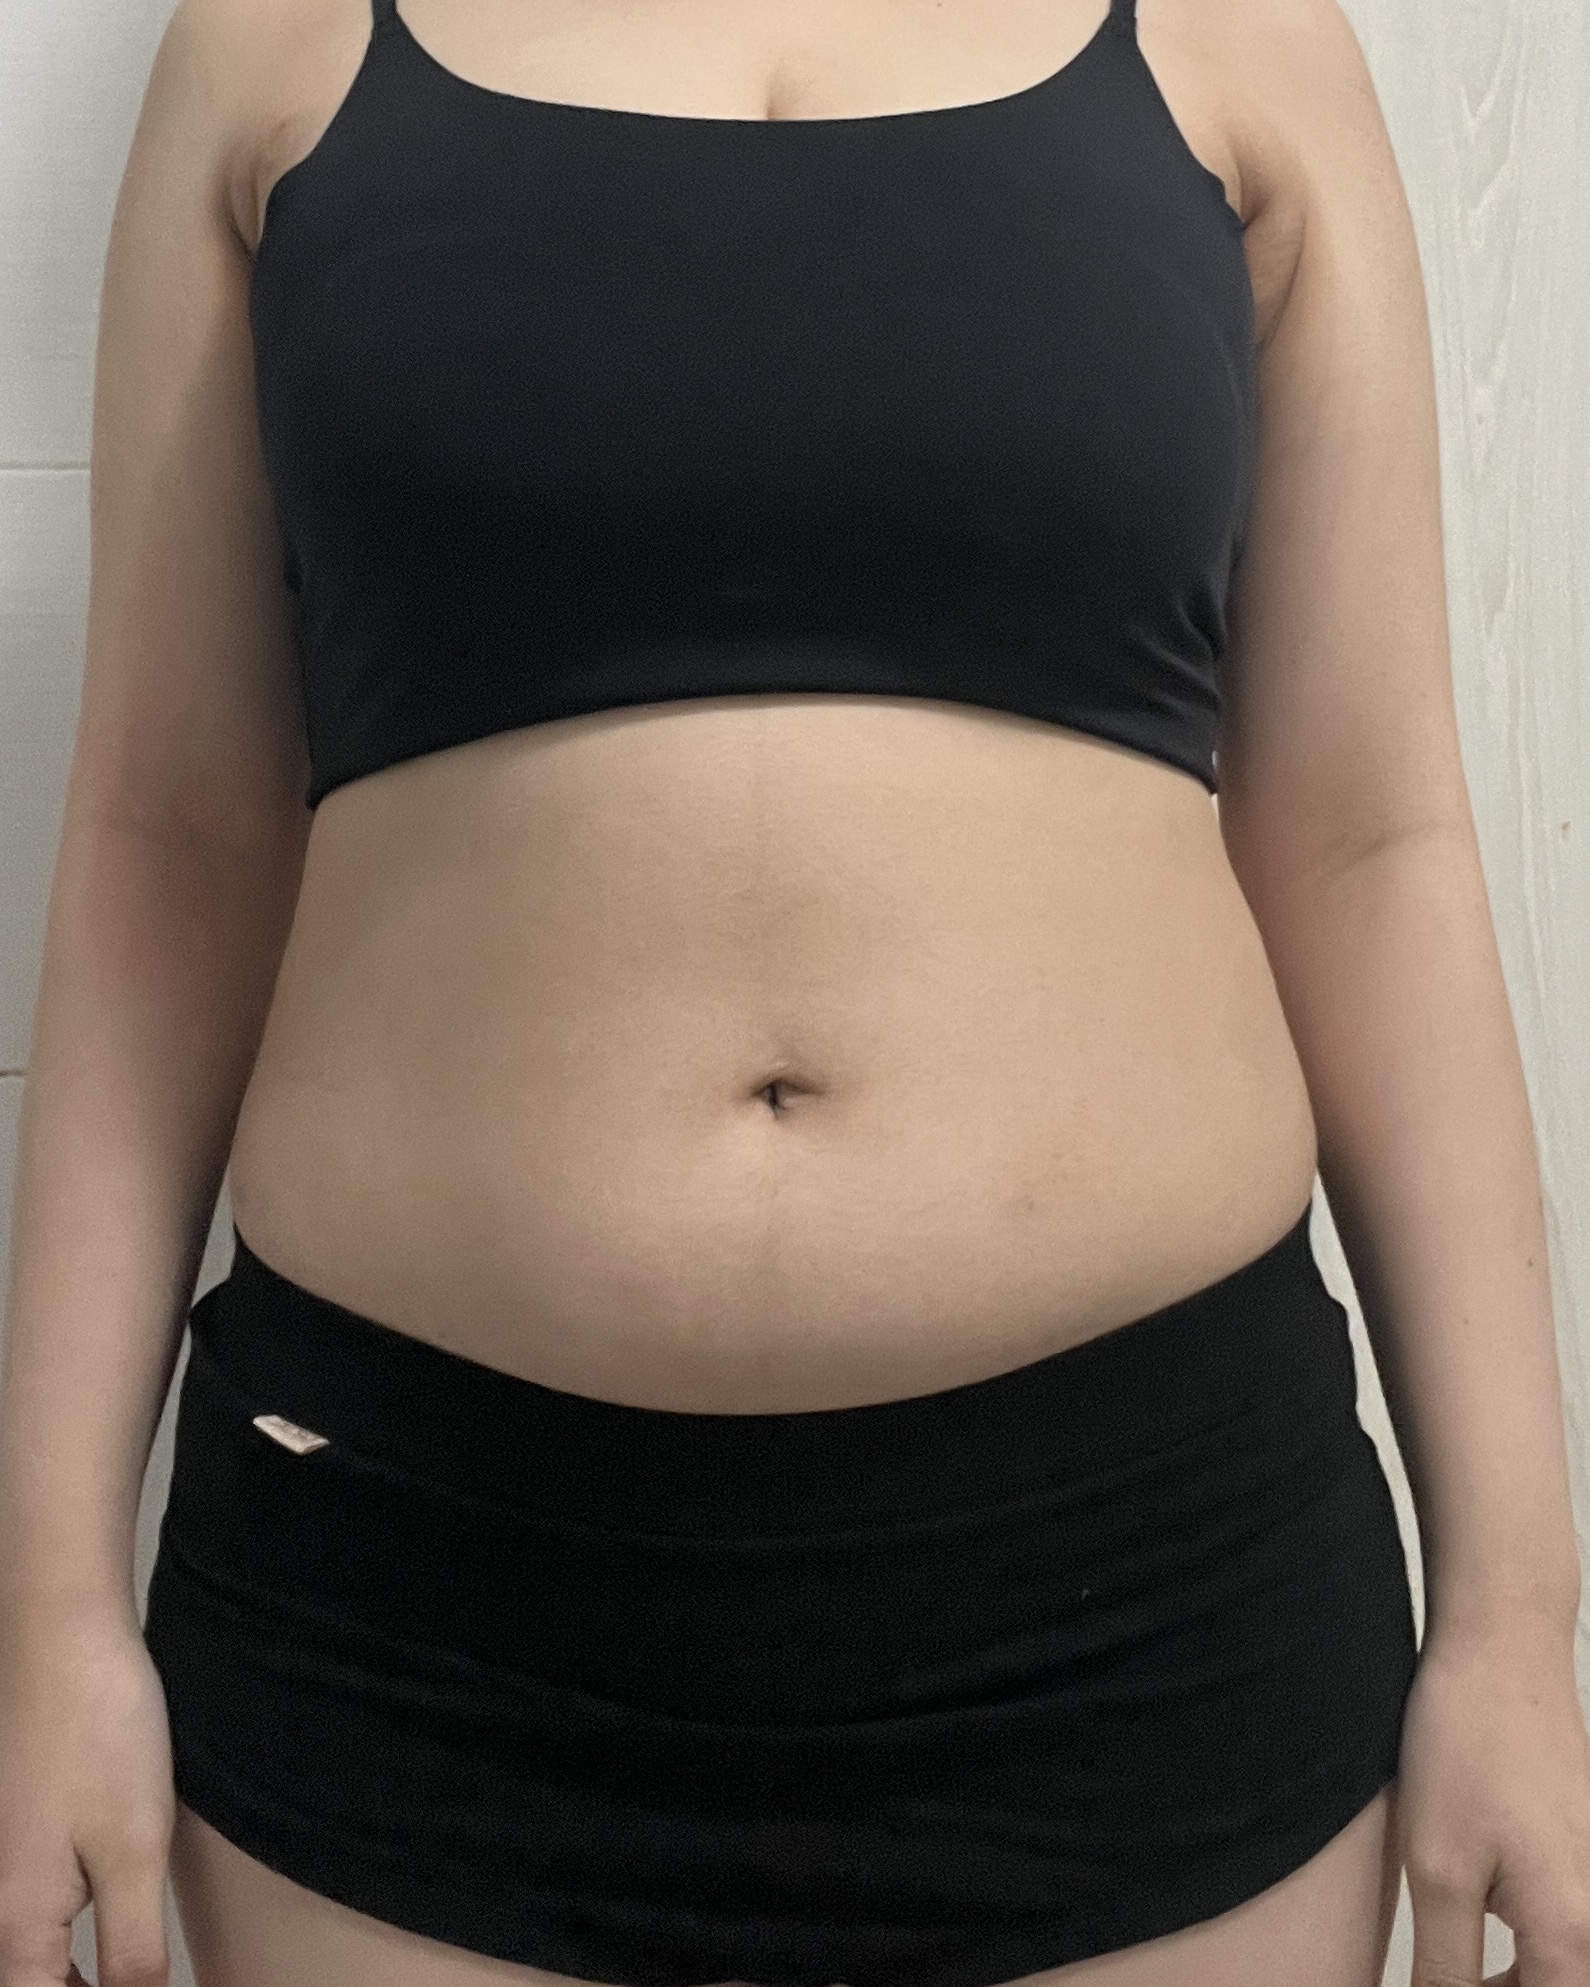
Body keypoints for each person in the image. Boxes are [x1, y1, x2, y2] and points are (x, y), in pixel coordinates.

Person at [1, 0, 1586, 1983]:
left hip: (1144, 1601)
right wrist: (47, 1613)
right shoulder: (272, 36)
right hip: (415, 1610)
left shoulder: (1241, 37)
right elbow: (167, 843)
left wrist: (1515, 1619)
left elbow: (1372, 846)